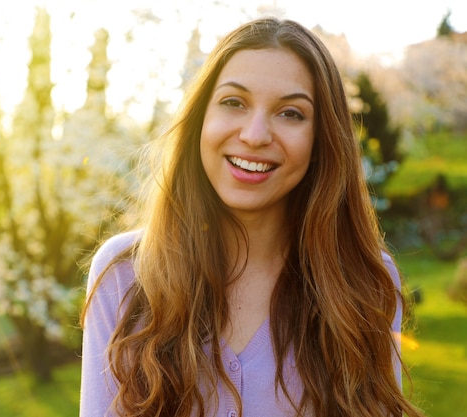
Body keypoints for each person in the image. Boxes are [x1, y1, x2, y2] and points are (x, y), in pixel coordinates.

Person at [79, 17, 425, 417]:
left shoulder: (363, 282)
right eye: (233, 102)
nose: (255, 134)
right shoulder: (125, 274)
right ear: (200, 121)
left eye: (291, 113)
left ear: (320, 141)